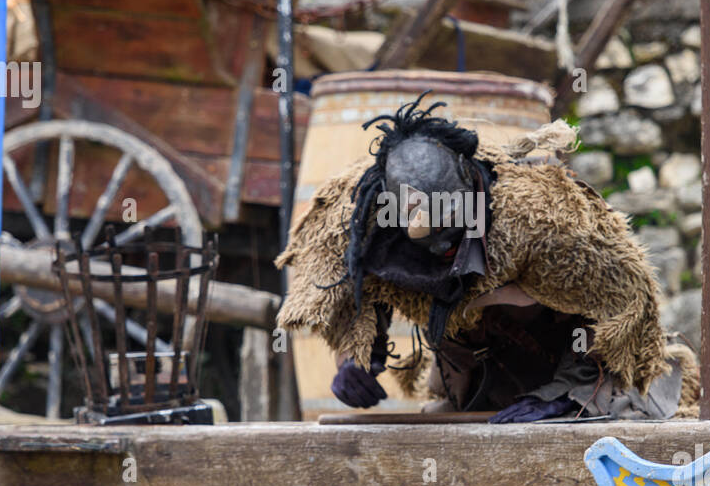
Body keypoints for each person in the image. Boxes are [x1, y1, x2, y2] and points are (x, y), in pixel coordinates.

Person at [275, 95, 683, 422]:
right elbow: (357, 298)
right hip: (475, 391)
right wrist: (355, 360)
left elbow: (625, 307)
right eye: (428, 233)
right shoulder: (362, 223)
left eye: (451, 227)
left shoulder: (544, 223)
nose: (442, 247)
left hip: (580, 390)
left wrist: (564, 397)